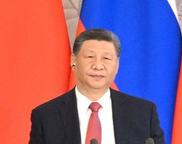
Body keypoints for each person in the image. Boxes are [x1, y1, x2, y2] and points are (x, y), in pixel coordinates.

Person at [29, 28, 165, 144]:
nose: (98, 66)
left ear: (117, 65)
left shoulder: (143, 112)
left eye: (106, 58)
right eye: (90, 57)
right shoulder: (46, 115)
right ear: (73, 60)